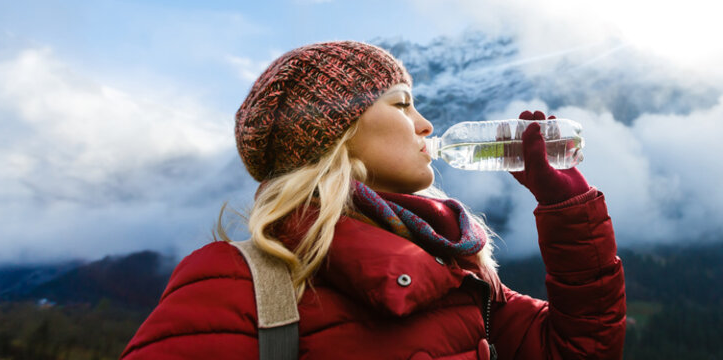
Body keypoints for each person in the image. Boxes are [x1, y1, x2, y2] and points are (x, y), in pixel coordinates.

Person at [121, 41, 625, 360]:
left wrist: (568, 207)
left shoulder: (459, 277)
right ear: (332, 134)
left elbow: (579, 348)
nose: (426, 125)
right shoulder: (236, 283)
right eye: (403, 104)